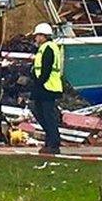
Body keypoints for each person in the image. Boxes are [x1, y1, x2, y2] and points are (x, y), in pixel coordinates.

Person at [30, 22, 65, 155]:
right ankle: (50, 139)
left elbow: (46, 69)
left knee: (47, 115)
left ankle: (53, 142)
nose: (36, 38)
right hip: (43, 85)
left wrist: (39, 82)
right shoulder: (44, 48)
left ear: (44, 36)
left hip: (47, 86)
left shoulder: (49, 48)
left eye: (38, 35)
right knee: (39, 111)